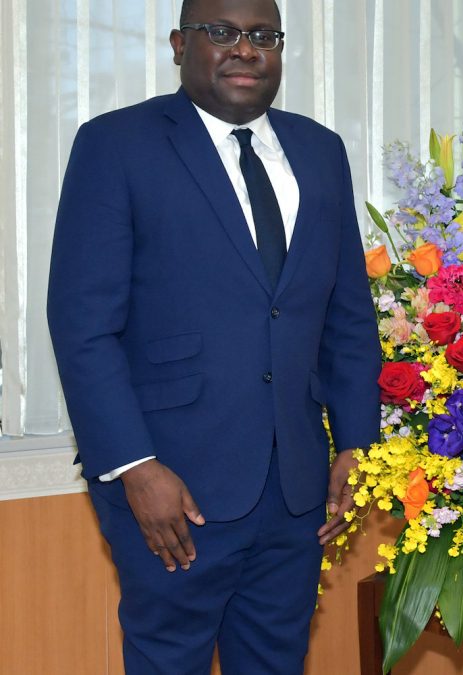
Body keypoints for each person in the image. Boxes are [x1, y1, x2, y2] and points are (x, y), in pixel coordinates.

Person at [46, 0, 380, 671]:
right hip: (174, 490)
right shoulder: (117, 145)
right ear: (179, 44)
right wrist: (134, 465)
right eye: (221, 33)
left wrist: (356, 443)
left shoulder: (320, 152)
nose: (245, 50)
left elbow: (346, 317)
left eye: (263, 36)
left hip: (295, 494)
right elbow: (82, 324)